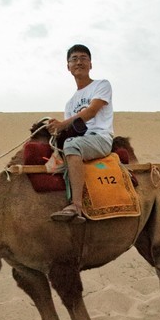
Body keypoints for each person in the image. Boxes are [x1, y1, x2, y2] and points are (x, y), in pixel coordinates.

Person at [47, 44, 114, 223]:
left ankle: (76, 205)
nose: (79, 62)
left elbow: (91, 112)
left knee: (71, 145)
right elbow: (70, 129)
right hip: (81, 142)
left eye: (83, 58)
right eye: (74, 59)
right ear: (68, 67)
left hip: (100, 139)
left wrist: (62, 125)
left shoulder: (102, 85)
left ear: (90, 64)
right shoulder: (70, 104)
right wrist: (56, 130)